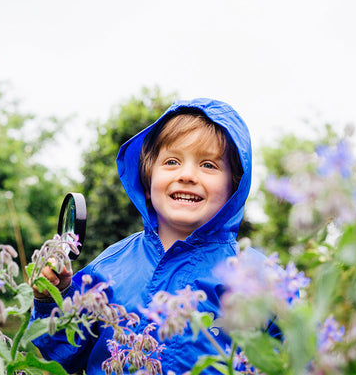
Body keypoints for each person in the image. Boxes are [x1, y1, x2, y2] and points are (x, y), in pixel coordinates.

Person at [31, 98, 257, 374]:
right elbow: (63, 353)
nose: (187, 175)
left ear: (234, 187)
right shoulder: (110, 266)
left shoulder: (257, 277)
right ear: (147, 182)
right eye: (172, 161)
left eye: (208, 165)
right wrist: (50, 299)